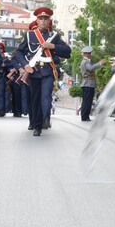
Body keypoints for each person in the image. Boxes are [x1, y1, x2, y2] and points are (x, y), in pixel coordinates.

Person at [14, 8, 72, 136]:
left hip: (47, 71)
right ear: (37, 21)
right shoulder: (29, 35)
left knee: (45, 96)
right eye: (41, 19)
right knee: (35, 98)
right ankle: (37, 125)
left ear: (49, 21)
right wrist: (25, 65)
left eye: (46, 19)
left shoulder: (54, 37)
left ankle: (45, 118)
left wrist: (53, 47)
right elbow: (18, 52)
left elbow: (68, 51)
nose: (43, 21)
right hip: (34, 72)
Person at [79, 45, 105, 121]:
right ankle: (84, 116)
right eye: (90, 53)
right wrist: (99, 63)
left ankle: (86, 116)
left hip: (89, 83)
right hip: (88, 83)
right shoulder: (85, 61)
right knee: (87, 101)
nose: (91, 55)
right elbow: (90, 68)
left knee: (88, 101)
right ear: (87, 54)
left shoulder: (86, 61)